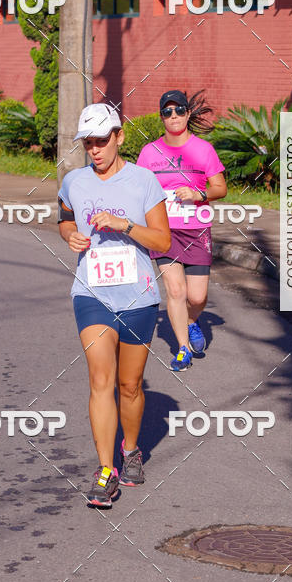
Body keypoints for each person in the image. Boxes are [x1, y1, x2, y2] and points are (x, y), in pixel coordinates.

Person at [58, 103, 170, 509]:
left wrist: (125, 225)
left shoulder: (144, 181)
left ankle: (132, 448)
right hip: (92, 292)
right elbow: (65, 218)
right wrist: (70, 234)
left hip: (139, 295)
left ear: (119, 136)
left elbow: (163, 242)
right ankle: (106, 471)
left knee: (129, 385)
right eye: (88, 144)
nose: (95, 150)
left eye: (102, 141)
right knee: (100, 380)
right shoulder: (74, 181)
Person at [137, 90, 226, 372]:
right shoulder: (149, 153)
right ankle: (183, 349)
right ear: (161, 116)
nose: (173, 116)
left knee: (197, 297)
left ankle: (190, 321)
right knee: (175, 291)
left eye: (179, 111)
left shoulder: (203, 149)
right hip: (164, 231)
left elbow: (220, 188)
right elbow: (138, 189)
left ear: (188, 114)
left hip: (197, 230)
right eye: (167, 111)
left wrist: (198, 194)